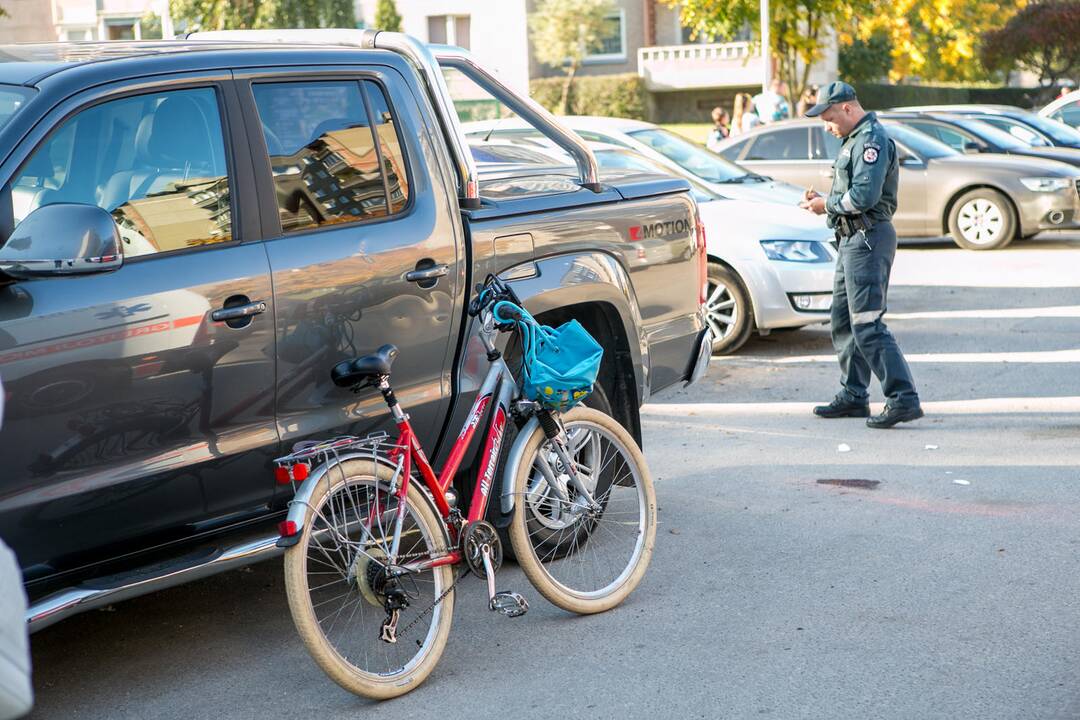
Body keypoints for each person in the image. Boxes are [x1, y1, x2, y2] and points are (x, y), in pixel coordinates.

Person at [798, 81, 923, 429]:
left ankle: (903, 398)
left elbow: (864, 198)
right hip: (851, 239)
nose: (827, 126)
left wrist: (826, 205)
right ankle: (854, 396)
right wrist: (825, 200)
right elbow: (853, 192)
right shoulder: (853, 139)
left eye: (829, 117)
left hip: (867, 239)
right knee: (842, 320)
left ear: (848, 108)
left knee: (867, 324)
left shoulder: (871, 140)